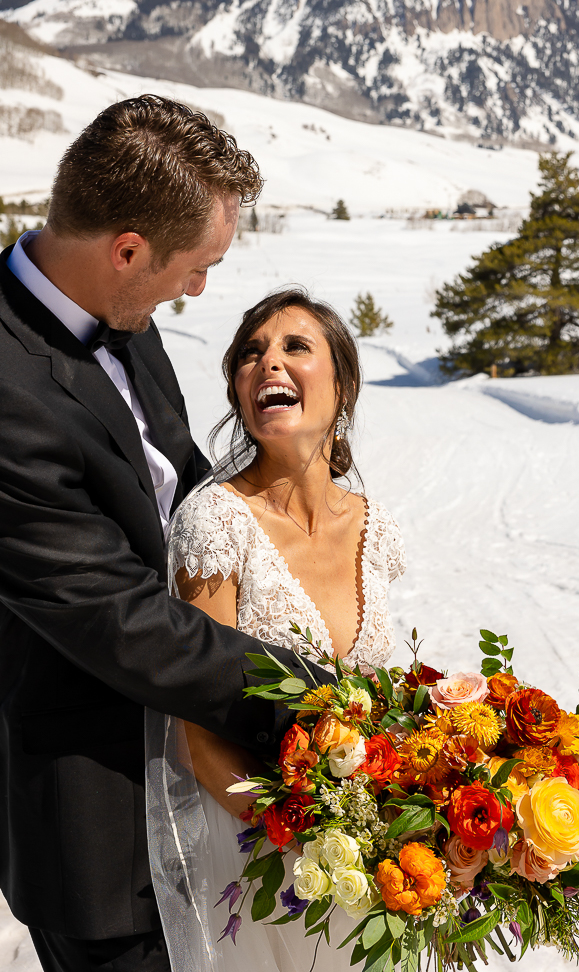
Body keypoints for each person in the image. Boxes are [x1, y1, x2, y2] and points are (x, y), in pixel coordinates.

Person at [0, 97, 331, 972]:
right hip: (99, 824)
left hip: (203, 779)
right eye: (195, 268)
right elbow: (117, 618)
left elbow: (186, 493)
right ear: (127, 248)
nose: (197, 290)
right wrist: (313, 695)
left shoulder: (125, 316)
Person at [151, 287, 405, 972]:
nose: (269, 363)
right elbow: (196, 739)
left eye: (296, 346)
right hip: (262, 861)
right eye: (251, 354)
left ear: (343, 383)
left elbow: (380, 698)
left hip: (368, 854)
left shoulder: (373, 524)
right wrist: (312, 848)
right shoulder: (215, 523)